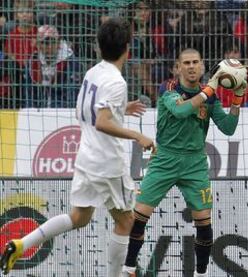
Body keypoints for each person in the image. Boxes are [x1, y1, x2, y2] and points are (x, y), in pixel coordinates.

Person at [0, 18, 155, 276]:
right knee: (126, 221)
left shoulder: (93, 72)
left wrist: (121, 109)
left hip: (86, 158)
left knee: (79, 218)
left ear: (98, 47)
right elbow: (103, 122)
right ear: (128, 48)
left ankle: (19, 244)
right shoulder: (117, 82)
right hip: (107, 163)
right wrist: (137, 136)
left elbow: (83, 112)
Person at [121, 48, 247, 277]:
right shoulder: (168, 89)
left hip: (195, 163)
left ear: (202, 66)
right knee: (138, 217)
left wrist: (237, 100)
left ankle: (200, 274)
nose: (191, 66)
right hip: (164, 159)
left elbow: (228, 128)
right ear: (177, 68)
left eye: (195, 62)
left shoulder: (210, 97)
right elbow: (180, 111)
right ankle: (128, 269)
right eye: (186, 62)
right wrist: (210, 89)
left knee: (204, 225)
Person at [23, 25, 83, 108]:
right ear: (38, 45)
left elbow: (72, 97)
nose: (50, 46)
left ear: (59, 43)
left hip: (63, 111)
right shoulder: (33, 61)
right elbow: (29, 94)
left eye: (53, 42)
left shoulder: (71, 62)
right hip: (38, 111)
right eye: (45, 43)